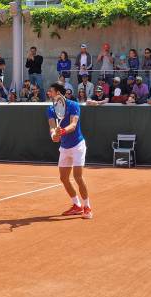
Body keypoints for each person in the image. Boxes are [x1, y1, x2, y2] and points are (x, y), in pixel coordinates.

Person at [47, 82, 92, 219]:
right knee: (64, 178)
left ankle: (87, 207)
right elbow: (52, 126)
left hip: (78, 146)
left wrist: (63, 131)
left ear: (59, 93)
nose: (49, 93)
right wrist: (54, 134)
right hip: (65, 147)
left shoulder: (74, 105)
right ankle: (76, 205)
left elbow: (73, 125)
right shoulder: (50, 108)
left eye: (51, 91)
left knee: (78, 177)